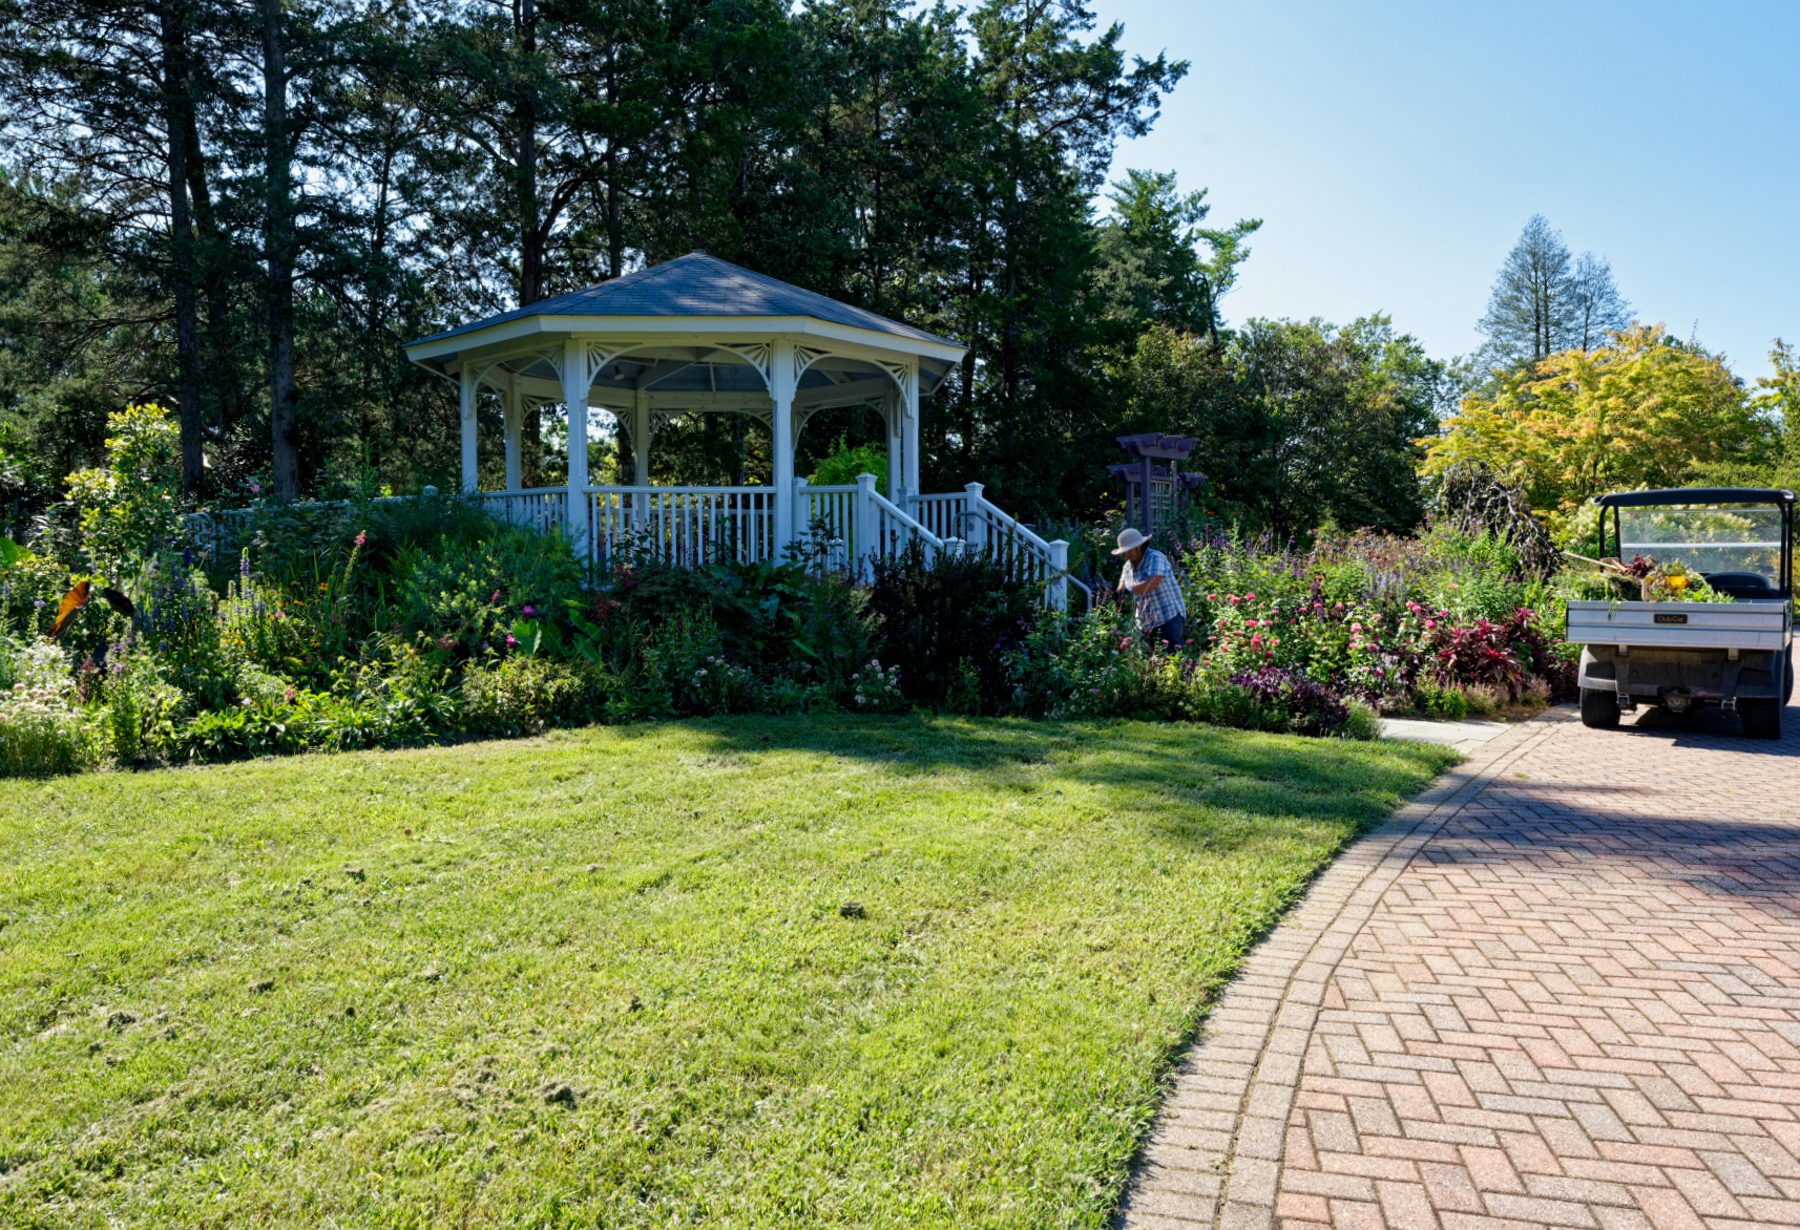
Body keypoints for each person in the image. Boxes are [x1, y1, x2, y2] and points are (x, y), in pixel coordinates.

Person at [1113, 527, 1185, 646]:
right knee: (1151, 660)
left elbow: (1152, 583)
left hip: (1167, 616)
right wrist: (1118, 600)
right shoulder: (1128, 566)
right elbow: (1122, 587)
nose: (1125, 555)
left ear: (1137, 548)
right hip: (1145, 621)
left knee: (1171, 657)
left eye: (1127, 551)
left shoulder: (1155, 557)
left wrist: (1128, 590)